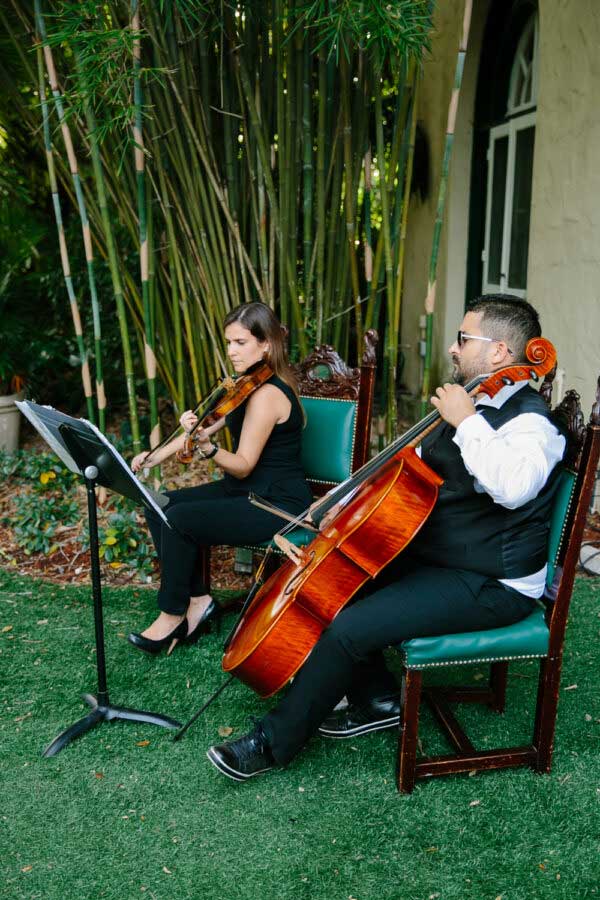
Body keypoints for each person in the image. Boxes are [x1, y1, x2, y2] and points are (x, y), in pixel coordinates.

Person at [206, 294, 566, 781]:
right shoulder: (475, 400)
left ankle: (273, 742)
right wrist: (342, 507)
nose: (454, 349)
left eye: (464, 338)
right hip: (447, 557)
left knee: (351, 627)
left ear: (500, 351)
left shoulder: (530, 423)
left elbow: (514, 487)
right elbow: (405, 476)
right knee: (340, 585)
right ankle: (377, 700)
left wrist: (466, 421)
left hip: (492, 582)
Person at [128, 302, 313, 655]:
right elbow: (203, 426)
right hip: (242, 491)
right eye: (228, 342)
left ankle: (172, 615)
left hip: (274, 502)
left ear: (266, 345)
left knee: (179, 518)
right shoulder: (244, 385)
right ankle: (199, 599)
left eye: (240, 342)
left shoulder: (268, 394)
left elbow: (242, 463)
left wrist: (209, 449)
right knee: (158, 504)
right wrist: (152, 458)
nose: (230, 351)